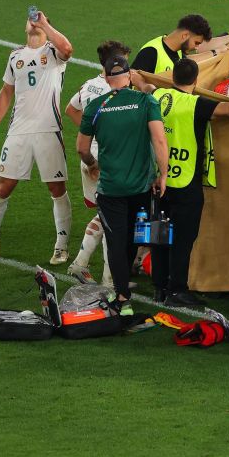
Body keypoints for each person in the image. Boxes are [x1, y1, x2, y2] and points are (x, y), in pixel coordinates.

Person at [134, 59, 229, 306]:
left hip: (157, 182)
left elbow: (144, 86)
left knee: (160, 238)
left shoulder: (158, 96)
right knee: (183, 240)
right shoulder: (194, 104)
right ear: (195, 81)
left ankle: (159, 288)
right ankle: (177, 290)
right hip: (185, 181)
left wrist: (135, 76)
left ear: (174, 79)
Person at [76, 56, 168, 316]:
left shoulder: (96, 106)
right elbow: (159, 141)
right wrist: (164, 174)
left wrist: (93, 163)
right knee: (135, 239)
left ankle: (122, 298)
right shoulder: (145, 101)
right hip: (141, 187)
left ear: (106, 79)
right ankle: (148, 288)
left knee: (116, 240)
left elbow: (81, 148)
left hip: (111, 188)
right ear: (128, 77)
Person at [0, 10, 74, 264]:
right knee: (3, 187)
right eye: (31, 20)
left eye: (39, 21)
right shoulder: (15, 56)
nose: (33, 23)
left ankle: (61, 245)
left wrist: (45, 22)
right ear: (25, 27)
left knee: (57, 189)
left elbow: (67, 48)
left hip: (48, 130)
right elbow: (6, 92)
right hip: (19, 131)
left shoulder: (53, 52)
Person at [64, 40, 132, 286]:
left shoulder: (89, 85)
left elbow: (71, 110)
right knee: (112, 219)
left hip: (89, 157)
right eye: (124, 61)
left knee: (104, 215)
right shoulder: (116, 90)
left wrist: (90, 131)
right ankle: (109, 280)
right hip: (107, 160)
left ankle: (81, 265)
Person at [131, 14, 212, 74]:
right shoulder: (151, 52)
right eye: (196, 43)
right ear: (185, 36)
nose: (196, 47)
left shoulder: (179, 52)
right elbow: (132, 84)